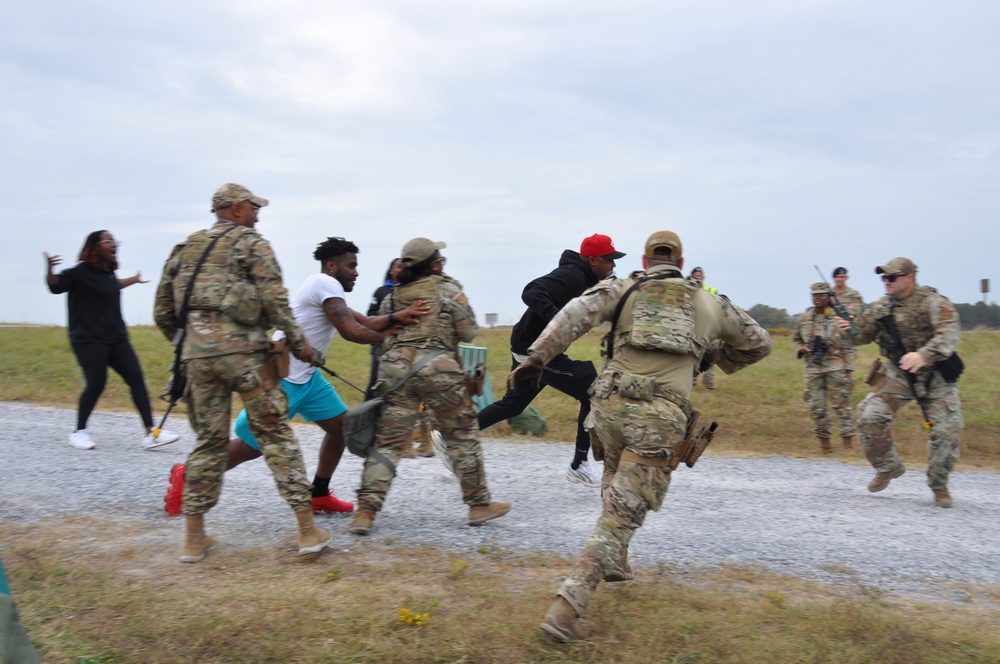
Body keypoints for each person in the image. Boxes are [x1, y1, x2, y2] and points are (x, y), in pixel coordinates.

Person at [508, 231, 771, 642]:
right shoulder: (710, 302)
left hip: (609, 408)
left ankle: (617, 562)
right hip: (659, 415)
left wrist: (538, 356)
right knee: (621, 516)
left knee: (615, 471)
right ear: (680, 262)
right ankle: (566, 609)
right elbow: (760, 344)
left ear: (647, 261)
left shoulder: (622, 287)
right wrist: (710, 358)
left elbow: (573, 315)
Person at [163, 238, 427, 517]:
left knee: (340, 430)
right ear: (331, 265)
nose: (356, 272)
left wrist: (398, 316)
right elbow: (352, 331)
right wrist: (387, 340)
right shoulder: (325, 283)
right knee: (250, 448)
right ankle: (188, 475)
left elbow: (365, 322)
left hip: (308, 379)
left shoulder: (327, 291)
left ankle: (319, 495)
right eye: (351, 266)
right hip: (283, 378)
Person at [154, 183, 328, 562]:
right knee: (276, 436)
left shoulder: (185, 248)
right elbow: (276, 302)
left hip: (197, 361)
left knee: (208, 443)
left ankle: (193, 539)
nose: (257, 215)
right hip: (247, 357)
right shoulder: (254, 244)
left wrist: (194, 345)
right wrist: (300, 344)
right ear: (233, 210)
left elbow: (163, 312)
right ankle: (307, 532)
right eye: (253, 208)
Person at [348, 238, 510, 535]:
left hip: (396, 372)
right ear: (434, 264)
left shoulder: (393, 296)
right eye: (440, 259)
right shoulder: (446, 289)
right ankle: (478, 504)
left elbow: (384, 331)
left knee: (387, 443)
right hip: (438, 370)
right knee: (461, 434)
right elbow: (469, 331)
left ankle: (365, 514)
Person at [477, 234, 625, 488]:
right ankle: (579, 464)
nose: (612, 265)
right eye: (608, 260)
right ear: (592, 260)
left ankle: (454, 436)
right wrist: (560, 320)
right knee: (593, 391)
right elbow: (531, 291)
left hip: (536, 347)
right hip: (536, 351)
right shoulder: (572, 275)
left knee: (513, 406)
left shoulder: (585, 279)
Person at [834, 258, 963, 508]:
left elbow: (950, 332)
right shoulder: (881, 307)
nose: (886, 282)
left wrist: (924, 355)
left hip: (935, 373)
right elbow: (861, 335)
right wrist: (846, 329)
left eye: (891, 277)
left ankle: (939, 485)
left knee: (946, 431)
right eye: (884, 278)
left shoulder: (933, 302)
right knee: (868, 417)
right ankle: (889, 467)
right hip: (899, 373)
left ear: (910, 277)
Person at [45, 231, 180, 451]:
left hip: (116, 338)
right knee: (96, 383)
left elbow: (114, 286)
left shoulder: (107, 274)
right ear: (95, 247)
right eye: (108, 241)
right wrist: (50, 271)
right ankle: (79, 432)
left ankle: (151, 433)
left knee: (136, 379)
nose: (114, 245)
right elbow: (56, 286)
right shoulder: (78, 273)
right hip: (88, 340)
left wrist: (134, 280)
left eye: (115, 242)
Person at [793, 283, 856, 453]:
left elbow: (850, 346)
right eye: (814, 295)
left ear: (828, 296)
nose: (817, 298)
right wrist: (802, 348)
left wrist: (849, 370)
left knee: (842, 406)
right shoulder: (805, 318)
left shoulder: (838, 318)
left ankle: (848, 447)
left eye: (821, 295)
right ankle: (825, 448)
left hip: (836, 366)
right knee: (817, 408)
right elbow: (796, 340)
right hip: (813, 367)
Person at [830, 266, 865, 378]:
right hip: (831, 337)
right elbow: (824, 312)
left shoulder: (854, 295)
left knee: (848, 372)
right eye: (836, 277)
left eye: (842, 277)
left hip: (847, 338)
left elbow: (855, 311)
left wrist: (847, 315)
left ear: (846, 278)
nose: (839, 279)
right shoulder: (828, 295)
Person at [689, 266, 718, 389]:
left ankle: (709, 381)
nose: (698, 278)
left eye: (699, 276)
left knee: (710, 354)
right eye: (695, 276)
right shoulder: (688, 291)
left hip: (708, 328)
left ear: (703, 278)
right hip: (693, 328)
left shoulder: (711, 291)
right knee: (693, 355)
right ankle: (692, 380)